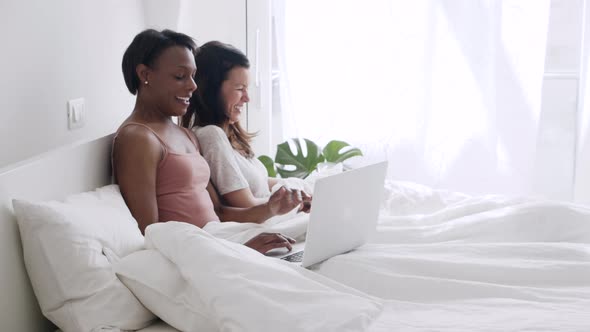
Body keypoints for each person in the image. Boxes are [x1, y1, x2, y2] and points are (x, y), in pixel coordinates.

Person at [113, 29, 304, 254]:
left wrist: (271, 209)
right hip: (200, 250)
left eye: (193, 76)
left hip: (219, 239)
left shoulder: (186, 135)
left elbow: (220, 212)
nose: (193, 86)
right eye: (180, 76)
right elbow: (150, 233)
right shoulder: (138, 138)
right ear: (145, 74)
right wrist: (239, 250)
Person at [181, 41, 312, 209]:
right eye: (239, 89)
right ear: (211, 91)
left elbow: (260, 183)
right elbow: (245, 204)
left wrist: (299, 190)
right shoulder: (210, 135)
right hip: (261, 221)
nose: (247, 98)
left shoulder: (228, 137)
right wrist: (294, 204)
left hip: (269, 214)